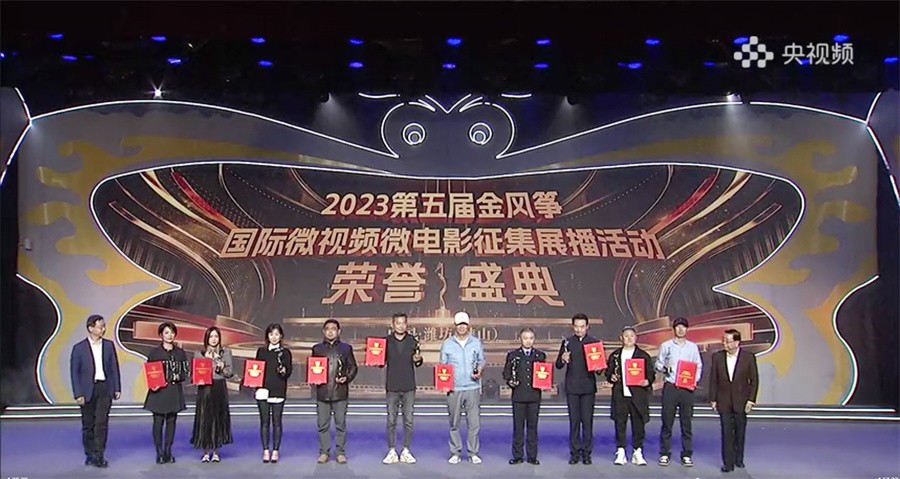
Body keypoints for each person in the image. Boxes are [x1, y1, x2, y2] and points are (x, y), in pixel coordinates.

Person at [70, 314, 121, 468]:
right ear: (90, 328)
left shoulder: (109, 345)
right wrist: (78, 393)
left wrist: (117, 388)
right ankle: (89, 454)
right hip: (87, 390)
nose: (103, 329)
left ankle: (99, 455)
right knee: (88, 425)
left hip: (104, 388)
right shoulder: (79, 348)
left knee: (102, 423)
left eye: (104, 326)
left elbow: (114, 368)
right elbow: (74, 372)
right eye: (100, 326)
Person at [655, 316, 702, 467]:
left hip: (687, 389)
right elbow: (658, 364)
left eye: (683, 327)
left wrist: (694, 381)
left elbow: (698, 366)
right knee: (667, 422)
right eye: (678, 327)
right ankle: (664, 453)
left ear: (687, 329)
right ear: (673, 329)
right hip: (671, 387)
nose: (681, 329)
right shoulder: (666, 346)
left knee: (686, 423)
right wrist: (664, 367)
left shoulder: (692, 347)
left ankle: (686, 454)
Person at [439, 311, 486, 464]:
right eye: (459, 324)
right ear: (455, 326)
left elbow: (481, 361)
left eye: (464, 324)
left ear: (468, 326)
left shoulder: (476, 343)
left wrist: (479, 370)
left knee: (474, 424)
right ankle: (455, 452)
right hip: (454, 388)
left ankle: (473, 453)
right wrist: (445, 384)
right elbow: (443, 366)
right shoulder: (447, 344)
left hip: (472, 387)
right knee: (454, 423)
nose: (461, 327)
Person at [605, 326, 655, 466]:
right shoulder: (615, 355)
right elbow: (608, 372)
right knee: (620, 423)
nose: (629, 338)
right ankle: (620, 451)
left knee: (638, 425)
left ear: (636, 338)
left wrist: (647, 381)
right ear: (621, 338)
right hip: (620, 395)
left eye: (631, 336)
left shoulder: (643, 356)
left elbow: (650, 374)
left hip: (638, 396)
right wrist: (611, 377)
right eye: (626, 336)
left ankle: (637, 451)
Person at [710, 329, 759, 473]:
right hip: (723, 400)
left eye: (728, 341)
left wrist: (751, 400)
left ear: (737, 342)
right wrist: (713, 399)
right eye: (723, 341)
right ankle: (728, 463)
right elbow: (713, 380)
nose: (725, 344)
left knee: (740, 431)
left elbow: (754, 380)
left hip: (741, 401)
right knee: (726, 432)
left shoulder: (748, 357)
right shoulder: (717, 357)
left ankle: (739, 459)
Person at [555, 313, 600, 465]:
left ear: (587, 327)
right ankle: (574, 453)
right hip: (572, 387)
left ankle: (587, 453)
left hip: (588, 387)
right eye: (576, 326)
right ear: (572, 327)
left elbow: (600, 370)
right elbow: (558, 365)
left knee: (587, 422)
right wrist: (563, 359)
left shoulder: (594, 343)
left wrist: (599, 366)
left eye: (582, 326)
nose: (579, 329)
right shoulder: (567, 342)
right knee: (574, 422)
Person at [312, 319, 358, 464]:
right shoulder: (317, 349)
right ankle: (324, 452)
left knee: (340, 425)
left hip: (340, 392)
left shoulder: (346, 348)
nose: (330, 331)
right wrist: (315, 379)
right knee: (322, 425)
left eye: (333, 329)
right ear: (323, 331)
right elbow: (313, 368)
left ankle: (340, 452)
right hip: (323, 392)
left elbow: (353, 367)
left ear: (339, 331)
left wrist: (347, 378)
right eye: (328, 329)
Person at [144, 321, 190, 464]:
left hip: (173, 391)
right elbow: (150, 372)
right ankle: (159, 451)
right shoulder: (154, 353)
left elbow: (185, 372)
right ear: (161, 335)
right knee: (158, 422)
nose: (170, 335)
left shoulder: (180, 352)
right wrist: (153, 385)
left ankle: (168, 451)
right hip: (158, 392)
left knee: (171, 422)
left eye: (172, 332)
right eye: (166, 333)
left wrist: (179, 376)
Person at [381, 313, 424, 465]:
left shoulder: (413, 341)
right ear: (392, 325)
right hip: (392, 386)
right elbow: (380, 361)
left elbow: (418, 361)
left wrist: (418, 360)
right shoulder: (386, 342)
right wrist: (375, 358)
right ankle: (392, 450)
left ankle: (406, 450)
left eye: (403, 323)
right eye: (397, 323)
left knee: (408, 420)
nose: (400, 325)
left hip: (408, 386)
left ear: (407, 324)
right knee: (391, 420)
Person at [502, 327, 546, 465]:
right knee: (518, 428)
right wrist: (510, 382)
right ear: (520, 339)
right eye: (525, 338)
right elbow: (506, 373)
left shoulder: (540, 355)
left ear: (534, 339)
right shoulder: (513, 355)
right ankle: (518, 456)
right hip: (519, 396)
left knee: (533, 427)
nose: (528, 341)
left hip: (534, 396)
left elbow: (544, 373)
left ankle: (532, 456)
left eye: (531, 338)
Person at [190, 326, 234, 463]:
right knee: (205, 418)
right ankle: (205, 451)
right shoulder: (199, 354)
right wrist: (207, 361)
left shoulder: (225, 352)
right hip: (205, 389)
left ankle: (215, 451)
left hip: (219, 387)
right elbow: (195, 374)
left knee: (217, 419)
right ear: (206, 339)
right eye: (211, 337)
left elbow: (229, 373)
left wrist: (221, 367)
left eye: (216, 336)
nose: (214, 339)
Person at [255, 323, 293, 464]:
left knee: (277, 422)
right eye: (271, 334)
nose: (274, 337)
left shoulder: (285, 353)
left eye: (277, 334)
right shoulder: (261, 352)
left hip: (278, 390)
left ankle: (275, 450)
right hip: (262, 390)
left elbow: (288, 371)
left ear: (281, 336)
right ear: (267, 336)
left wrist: (284, 371)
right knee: (264, 422)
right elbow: (256, 369)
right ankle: (266, 450)